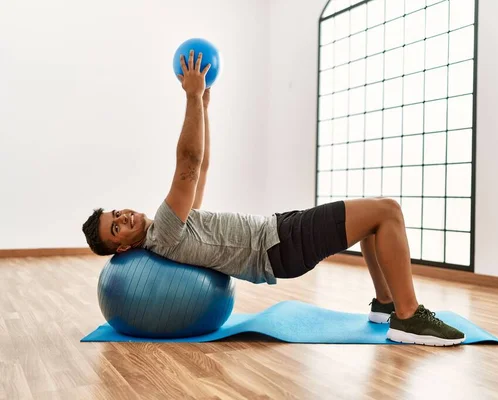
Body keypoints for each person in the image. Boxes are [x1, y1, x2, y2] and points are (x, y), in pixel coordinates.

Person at [82, 50, 465, 346]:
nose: (124, 218)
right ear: (121, 250)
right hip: (280, 244)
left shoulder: (172, 228)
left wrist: (203, 107)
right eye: (116, 228)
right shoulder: (163, 231)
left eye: (117, 213)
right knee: (388, 212)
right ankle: (408, 316)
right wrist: (191, 95)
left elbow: (203, 169)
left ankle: (385, 304)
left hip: (279, 233)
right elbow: (189, 163)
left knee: (371, 225)